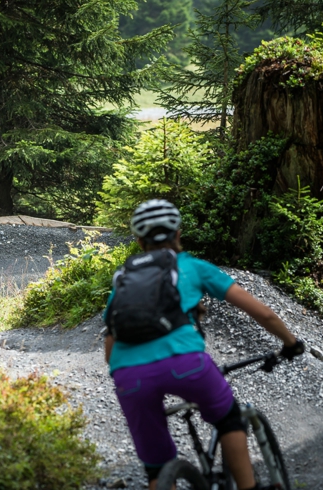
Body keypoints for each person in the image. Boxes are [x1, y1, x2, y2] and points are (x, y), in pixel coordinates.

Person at [103, 199, 305, 490]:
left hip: (129, 376)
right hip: (185, 364)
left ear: (138, 240)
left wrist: (131, 370)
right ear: (178, 234)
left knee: (156, 467)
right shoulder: (192, 267)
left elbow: (111, 341)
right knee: (229, 418)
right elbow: (263, 313)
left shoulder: (124, 278)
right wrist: (291, 343)